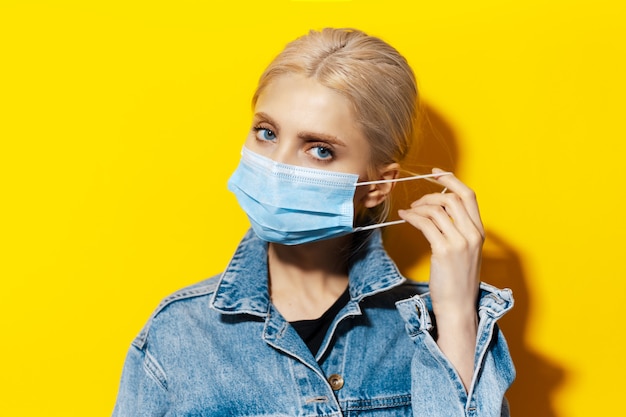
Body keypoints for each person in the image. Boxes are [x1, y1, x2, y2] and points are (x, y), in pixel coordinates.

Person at [113, 28, 514, 416]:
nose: (276, 165)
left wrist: (458, 314)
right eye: (266, 133)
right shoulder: (179, 334)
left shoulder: (428, 329)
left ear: (378, 186)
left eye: (320, 150)